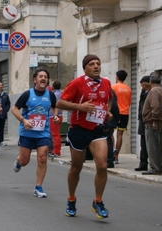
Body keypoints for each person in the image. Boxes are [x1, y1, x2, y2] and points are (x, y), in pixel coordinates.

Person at [56, 54, 113, 218]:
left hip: (97, 130)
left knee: (102, 166)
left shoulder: (106, 83)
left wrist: (107, 111)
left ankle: (98, 201)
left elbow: (109, 99)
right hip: (79, 129)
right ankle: (71, 198)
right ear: (85, 68)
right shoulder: (77, 83)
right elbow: (60, 103)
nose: (96, 66)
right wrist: (80, 107)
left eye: (98, 63)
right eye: (92, 64)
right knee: (76, 167)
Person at [11, 68, 58, 198]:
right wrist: (23, 120)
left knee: (42, 159)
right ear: (35, 79)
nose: (43, 78)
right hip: (27, 133)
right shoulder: (27, 94)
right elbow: (14, 109)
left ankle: (38, 187)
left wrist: (55, 115)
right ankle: (19, 161)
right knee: (25, 161)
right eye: (40, 76)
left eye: (45, 76)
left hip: (43, 133)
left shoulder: (50, 95)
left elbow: (54, 106)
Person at [141, 76, 162, 175]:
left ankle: (154, 168)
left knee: (152, 146)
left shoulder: (153, 91)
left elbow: (155, 106)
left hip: (153, 123)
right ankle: (161, 166)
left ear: (151, 82)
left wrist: (154, 120)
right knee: (160, 146)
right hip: (161, 121)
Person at [111, 70, 132, 164]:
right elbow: (129, 102)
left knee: (110, 133)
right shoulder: (128, 89)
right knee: (120, 135)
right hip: (125, 113)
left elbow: (110, 101)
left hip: (115, 113)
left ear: (117, 77)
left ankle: (111, 151)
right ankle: (116, 156)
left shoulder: (113, 87)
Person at [134, 76, 151, 171]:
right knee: (143, 144)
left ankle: (151, 165)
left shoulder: (152, 92)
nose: (142, 87)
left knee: (149, 144)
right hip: (142, 121)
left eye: (143, 85)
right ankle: (143, 163)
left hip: (148, 121)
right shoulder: (143, 93)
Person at [48, 80, 63, 157]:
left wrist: (55, 115)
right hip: (60, 115)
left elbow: (53, 105)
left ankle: (56, 151)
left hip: (54, 116)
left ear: (53, 86)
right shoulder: (61, 94)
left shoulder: (53, 95)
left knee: (55, 134)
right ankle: (56, 150)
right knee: (57, 133)